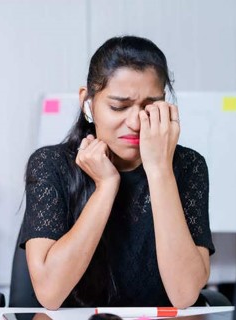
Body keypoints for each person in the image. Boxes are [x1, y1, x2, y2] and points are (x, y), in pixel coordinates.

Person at [20, 35, 215, 310]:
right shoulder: (50, 164)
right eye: (118, 106)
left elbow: (184, 295)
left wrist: (160, 171)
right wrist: (106, 186)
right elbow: (50, 293)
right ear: (87, 103)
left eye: (150, 107)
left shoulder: (189, 165)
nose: (136, 122)